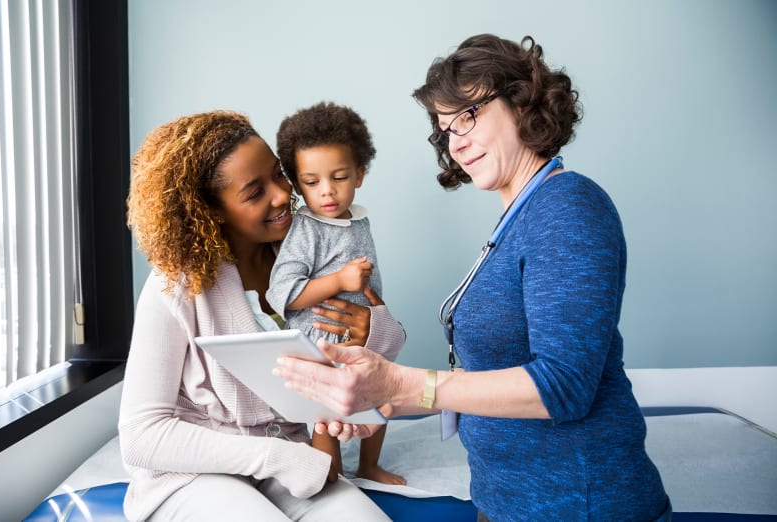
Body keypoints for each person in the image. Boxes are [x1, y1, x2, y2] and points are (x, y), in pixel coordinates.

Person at [275, 34, 672, 521]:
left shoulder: (567, 208)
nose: (455, 140)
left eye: (468, 115)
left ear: (522, 102)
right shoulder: (519, 220)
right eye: (445, 128)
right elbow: (493, 374)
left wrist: (401, 382)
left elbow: (564, 385)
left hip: (577, 504)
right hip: (506, 502)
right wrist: (382, 399)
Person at [119, 110, 405, 521]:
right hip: (194, 474)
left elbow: (375, 337)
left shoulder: (306, 249)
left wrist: (372, 328)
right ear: (212, 210)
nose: (280, 196)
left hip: (290, 462)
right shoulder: (176, 283)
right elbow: (141, 438)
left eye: (279, 175)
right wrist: (280, 458)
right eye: (255, 192)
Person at [266, 101, 405, 486]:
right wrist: (340, 281)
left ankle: (369, 466)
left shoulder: (358, 219)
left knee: (379, 399)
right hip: (322, 344)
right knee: (326, 417)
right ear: (297, 184)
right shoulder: (306, 229)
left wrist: (381, 319)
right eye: (311, 183)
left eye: (339, 177)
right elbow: (283, 293)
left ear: (359, 175)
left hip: (364, 338)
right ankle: (333, 476)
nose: (327, 191)